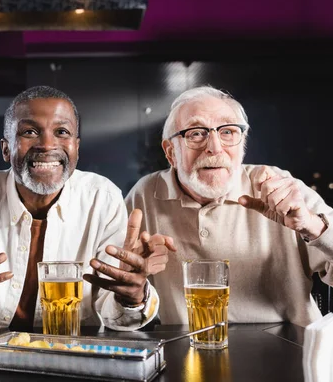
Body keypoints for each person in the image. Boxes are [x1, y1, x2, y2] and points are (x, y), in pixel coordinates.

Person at [0, 85, 175, 335]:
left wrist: (133, 296)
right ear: (5, 149)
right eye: (30, 131)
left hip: (77, 360)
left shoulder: (103, 199)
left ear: (76, 148)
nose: (46, 144)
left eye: (61, 131)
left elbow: (115, 317)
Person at [125, 85, 333, 327]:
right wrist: (132, 287)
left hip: (291, 352)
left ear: (242, 143)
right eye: (195, 133)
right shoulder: (145, 194)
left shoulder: (279, 186)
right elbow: (122, 293)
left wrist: (310, 225)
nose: (214, 147)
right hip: (188, 351)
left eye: (228, 132)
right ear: (171, 152)